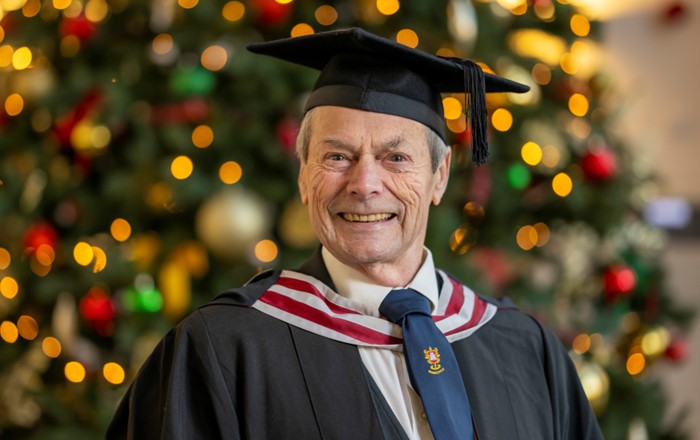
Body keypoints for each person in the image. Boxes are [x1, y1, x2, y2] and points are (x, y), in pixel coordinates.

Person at [106, 28, 603, 439]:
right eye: (337, 157)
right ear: (303, 176)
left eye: (396, 158)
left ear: (440, 175)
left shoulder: (524, 349)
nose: (364, 184)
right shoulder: (223, 349)